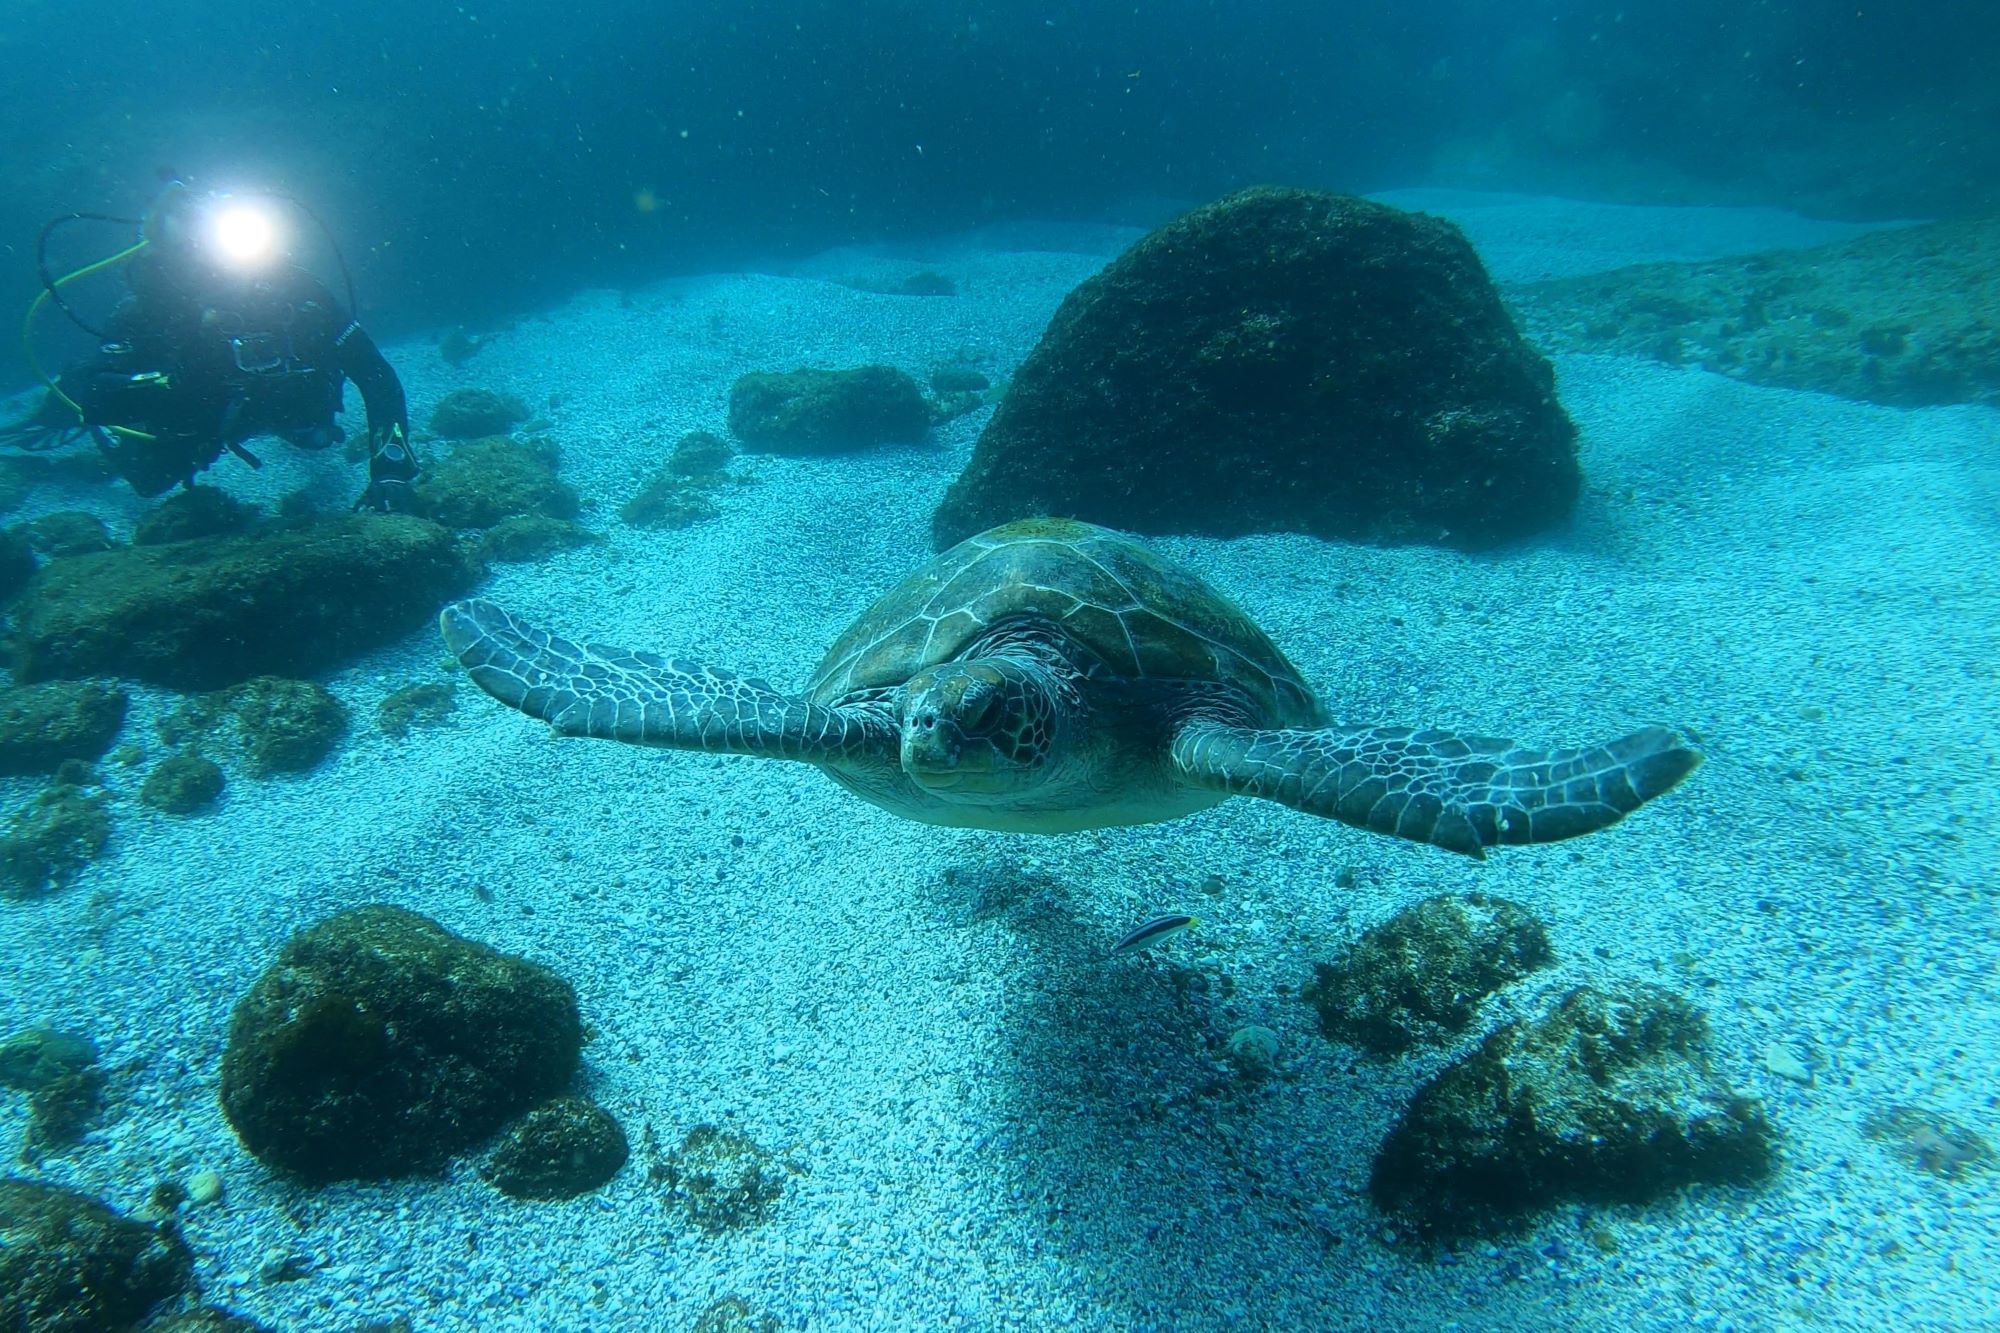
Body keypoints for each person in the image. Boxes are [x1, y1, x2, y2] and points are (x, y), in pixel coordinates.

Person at [1, 180, 419, 510]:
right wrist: (172, 384)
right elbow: (100, 392)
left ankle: (295, 425)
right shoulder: (151, 309)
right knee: (149, 480)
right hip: (200, 419)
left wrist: (390, 471)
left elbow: (375, 373)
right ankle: (47, 415)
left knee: (316, 434)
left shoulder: (299, 294)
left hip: (286, 404)